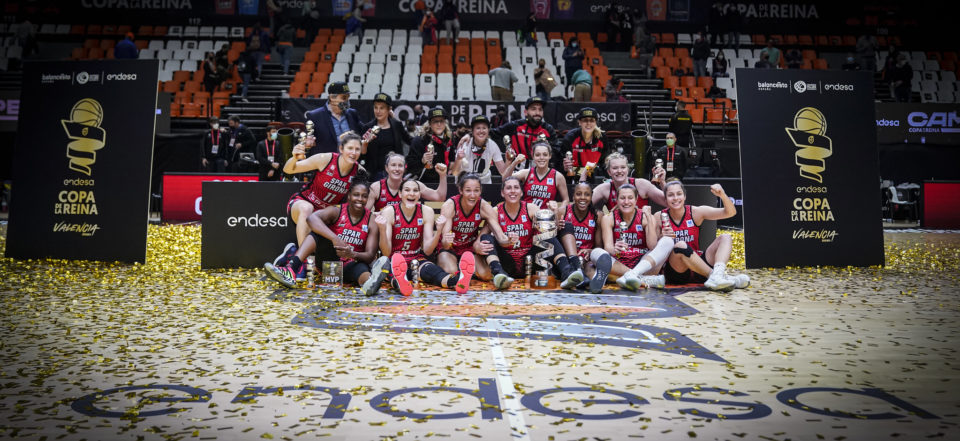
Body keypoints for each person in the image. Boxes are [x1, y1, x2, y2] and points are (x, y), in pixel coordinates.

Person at [264, 180, 391, 296]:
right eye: (356, 195)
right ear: (349, 196)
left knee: (364, 273)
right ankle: (291, 269)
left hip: (352, 262)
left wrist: (352, 254)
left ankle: (371, 283)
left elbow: (369, 255)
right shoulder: (337, 211)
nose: (360, 199)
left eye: (364, 196)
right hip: (330, 260)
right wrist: (335, 238)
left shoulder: (371, 220)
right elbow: (311, 218)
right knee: (319, 233)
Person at [274, 131, 368, 278]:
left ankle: (292, 254)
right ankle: (300, 264)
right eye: (350, 148)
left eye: (357, 149)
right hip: (303, 204)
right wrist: (294, 157)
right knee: (307, 208)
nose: (353, 152)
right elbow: (288, 170)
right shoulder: (325, 159)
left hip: (325, 217)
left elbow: (364, 197)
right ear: (341, 149)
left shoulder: (359, 172)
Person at [482, 176, 582, 290]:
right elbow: (481, 238)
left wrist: (553, 213)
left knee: (547, 236)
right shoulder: (495, 211)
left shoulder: (531, 208)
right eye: (509, 188)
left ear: (521, 192)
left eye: (516, 187)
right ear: (502, 193)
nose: (513, 191)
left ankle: (567, 272)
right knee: (486, 238)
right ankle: (498, 273)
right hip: (507, 262)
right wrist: (481, 246)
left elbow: (549, 229)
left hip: (530, 260)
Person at [377, 178, 473, 295]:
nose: (411, 193)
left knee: (434, 272)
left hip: (416, 259)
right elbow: (386, 252)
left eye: (415, 190)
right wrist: (382, 230)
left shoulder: (426, 211)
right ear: (400, 194)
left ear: (419, 195)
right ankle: (401, 283)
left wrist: (438, 231)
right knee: (393, 273)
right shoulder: (389, 212)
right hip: (394, 259)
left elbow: (428, 250)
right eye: (407, 190)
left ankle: (457, 281)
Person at [659, 180, 749, 291]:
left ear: (685, 196)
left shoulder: (695, 212)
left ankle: (718, 274)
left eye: (679, 194)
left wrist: (722, 195)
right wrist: (661, 236)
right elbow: (651, 246)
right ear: (665, 199)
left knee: (725, 237)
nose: (676, 198)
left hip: (698, 268)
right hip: (677, 271)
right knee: (681, 245)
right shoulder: (659, 216)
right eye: (670, 195)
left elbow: (730, 213)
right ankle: (718, 277)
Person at [437, 173, 510, 286]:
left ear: (480, 191)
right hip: (450, 248)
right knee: (450, 272)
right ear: (461, 191)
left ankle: (466, 271)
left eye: (476, 190)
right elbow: (445, 244)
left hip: (469, 249)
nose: (472, 195)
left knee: (486, 275)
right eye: (468, 190)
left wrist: (510, 240)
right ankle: (462, 271)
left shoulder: (484, 206)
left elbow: (500, 237)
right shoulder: (450, 205)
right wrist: (447, 240)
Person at [598, 183, 672, 290]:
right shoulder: (608, 218)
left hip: (642, 265)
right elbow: (608, 248)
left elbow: (652, 246)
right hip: (619, 264)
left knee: (668, 241)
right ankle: (641, 279)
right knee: (597, 253)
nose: (626, 202)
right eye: (622, 198)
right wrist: (614, 249)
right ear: (617, 200)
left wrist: (649, 218)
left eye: (630, 198)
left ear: (636, 199)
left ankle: (633, 274)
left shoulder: (645, 216)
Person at [558, 182, 612, 293]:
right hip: (569, 257)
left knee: (592, 276)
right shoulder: (563, 211)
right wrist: (556, 227)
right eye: (578, 194)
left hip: (586, 258)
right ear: (573, 196)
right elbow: (556, 239)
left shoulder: (598, 215)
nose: (582, 198)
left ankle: (596, 280)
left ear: (591, 196)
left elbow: (598, 246)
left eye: (586, 194)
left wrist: (590, 250)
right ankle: (576, 275)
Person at [367, 152, 448, 213]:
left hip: (404, 232)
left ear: (404, 168)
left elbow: (439, 197)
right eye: (393, 165)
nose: (397, 169)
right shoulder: (376, 187)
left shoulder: (414, 185)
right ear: (386, 168)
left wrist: (442, 175)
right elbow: (364, 214)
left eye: (400, 165)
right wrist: (380, 214)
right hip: (383, 230)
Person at [492, 96, 557, 171]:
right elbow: (493, 133)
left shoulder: (548, 129)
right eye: (533, 109)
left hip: (541, 172)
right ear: (526, 112)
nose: (537, 113)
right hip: (516, 173)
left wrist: (546, 147)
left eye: (540, 109)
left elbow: (556, 152)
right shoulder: (515, 126)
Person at [454, 115, 522, 184]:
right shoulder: (465, 145)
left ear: (488, 130)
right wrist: (458, 159)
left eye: (484, 128)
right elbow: (455, 172)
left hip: (484, 185)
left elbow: (503, 172)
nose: (481, 131)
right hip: (465, 184)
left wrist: (508, 161)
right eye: (478, 128)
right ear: (472, 131)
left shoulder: (492, 145)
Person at [360, 93, 412, 180]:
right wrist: (364, 144)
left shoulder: (396, 124)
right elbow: (362, 155)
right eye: (375, 107)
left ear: (389, 109)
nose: (378, 111)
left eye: (382, 108)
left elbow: (410, 141)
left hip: (395, 173)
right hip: (374, 174)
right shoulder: (367, 127)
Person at [591, 152, 666, 212]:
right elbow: (582, 202)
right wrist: (585, 173)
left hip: (640, 229)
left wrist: (662, 182)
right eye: (615, 168)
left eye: (623, 167)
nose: (619, 171)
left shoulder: (641, 184)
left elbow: (669, 202)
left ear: (628, 170)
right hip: (617, 229)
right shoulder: (604, 188)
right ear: (609, 172)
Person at [304, 82, 363, 156]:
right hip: (326, 164)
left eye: (348, 97)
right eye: (344, 97)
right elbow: (307, 142)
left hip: (350, 163)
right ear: (332, 98)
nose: (347, 101)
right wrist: (307, 144)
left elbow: (363, 132)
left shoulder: (352, 113)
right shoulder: (314, 116)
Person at [512, 141, 569, 209]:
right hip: (526, 215)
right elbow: (505, 179)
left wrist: (558, 213)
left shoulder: (558, 176)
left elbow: (566, 200)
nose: (541, 158)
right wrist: (514, 162)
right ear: (533, 156)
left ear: (550, 156)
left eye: (545, 155)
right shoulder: (526, 173)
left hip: (546, 217)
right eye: (537, 155)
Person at [558, 107, 609, 180]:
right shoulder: (570, 138)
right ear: (579, 122)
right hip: (573, 176)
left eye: (591, 120)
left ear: (596, 122)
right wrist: (564, 167)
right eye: (585, 120)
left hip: (595, 175)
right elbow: (560, 164)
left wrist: (589, 171)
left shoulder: (602, 138)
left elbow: (604, 163)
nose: (588, 123)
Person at [408, 107, 456, 183]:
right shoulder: (419, 140)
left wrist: (452, 166)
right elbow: (410, 166)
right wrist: (422, 161)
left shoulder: (449, 139)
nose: (439, 124)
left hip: (443, 181)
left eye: (441, 121)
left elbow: (452, 159)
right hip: (424, 182)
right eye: (435, 121)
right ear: (430, 123)